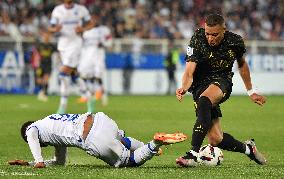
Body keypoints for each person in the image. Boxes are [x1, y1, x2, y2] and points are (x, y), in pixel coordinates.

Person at [175, 14, 267, 167]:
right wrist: (184, 87)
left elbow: (242, 65)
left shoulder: (235, 41)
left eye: (215, 34)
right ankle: (249, 149)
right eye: (208, 33)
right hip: (199, 86)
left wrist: (251, 91)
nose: (210, 38)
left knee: (205, 100)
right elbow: (189, 71)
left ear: (224, 30)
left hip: (221, 81)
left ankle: (193, 154)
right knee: (216, 139)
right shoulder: (197, 38)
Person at [8, 112, 187, 168]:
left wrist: (38, 161)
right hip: (101, 120)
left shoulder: (33, 129)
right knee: (120, 140)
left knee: (129, 161)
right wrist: (29, 163)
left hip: (92, 138)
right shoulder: (50, 121)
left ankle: (154, 144)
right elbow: (59, 162)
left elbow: (30, 133)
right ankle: (147, 146)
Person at [48, 0, 93, 114]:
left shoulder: (81, 9)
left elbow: (91, 23)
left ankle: (62, 106)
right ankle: (89, 99)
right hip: (63, 45)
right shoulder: (57, 10)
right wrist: (55, 30)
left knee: (63, 74)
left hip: (75, 44)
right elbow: (51, 28)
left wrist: (82, 29)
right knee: (73, 76)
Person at [77, 13, 113, 110]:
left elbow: (109, 41)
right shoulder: (86, 32)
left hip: (98, 54)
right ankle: (88, 95)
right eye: (92, 18)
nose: (93, 20)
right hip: (87, 55)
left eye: (95, 18)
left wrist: (104, 44)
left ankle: (102, 94)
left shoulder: (104, 30)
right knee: (83, 75)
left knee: (98, 75)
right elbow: (81, 44)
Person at [34, 30, 56, 102]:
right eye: (45, 36)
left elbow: (58, 53)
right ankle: (41, 92)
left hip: (48, 65)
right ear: (43, 37)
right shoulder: (39, 45)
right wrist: (35, 64)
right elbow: (36, 54)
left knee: (46, 79)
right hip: (40, 65)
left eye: (48, 36)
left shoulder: (51, 46)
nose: (46, 37)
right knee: (39, 81)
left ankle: (45, 94)